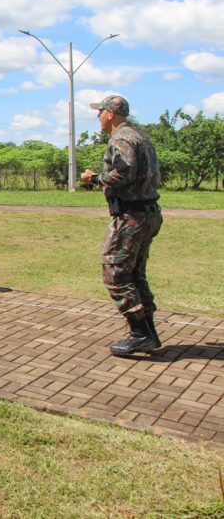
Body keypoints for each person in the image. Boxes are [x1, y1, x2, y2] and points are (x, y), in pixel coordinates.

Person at [81, 95, 163, 357]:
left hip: (131, 216)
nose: (98, 117)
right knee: (135, 275)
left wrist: (94, 178)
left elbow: (123, 173)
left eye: (100, 112)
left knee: (115, 272)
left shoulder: (121, 139)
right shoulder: (142, 138)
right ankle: (147, 333)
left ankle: (140, 334)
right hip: (148, 212)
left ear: (111, 114)